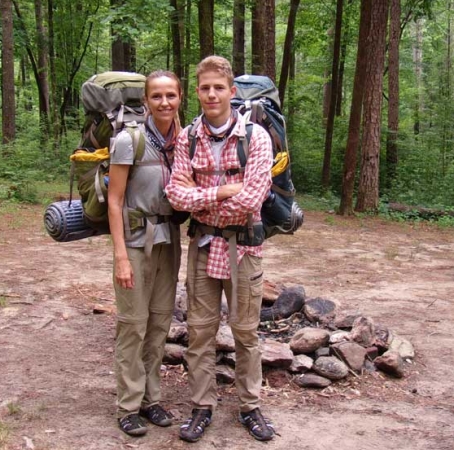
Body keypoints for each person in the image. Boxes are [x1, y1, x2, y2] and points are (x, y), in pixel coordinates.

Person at [165, 56, 276, 443]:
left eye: (218, 87)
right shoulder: (187, 137)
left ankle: (250, 406)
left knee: (246, 333)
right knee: (199, 332)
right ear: (196, 92)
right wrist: (218, 192)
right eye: (204, 87)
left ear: (231, 91)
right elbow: (176, 196)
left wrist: (201, 197)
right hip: (202, 243)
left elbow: (250, 200)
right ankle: (202, 406)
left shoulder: (256, 138)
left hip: (244, 247)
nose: (211, 94)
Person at [108, 70, 183, 437]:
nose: (164, 102)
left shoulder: (183, 142)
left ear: (180, 98)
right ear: (146, 101)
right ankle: (128, 405)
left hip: (169, 242)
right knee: (133, 326)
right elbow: (115, 199)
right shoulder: (129, 141)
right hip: (136, 245)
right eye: (157, 96)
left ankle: (152, 399)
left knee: (158, 325)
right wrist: (120, 255)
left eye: (170, 95)